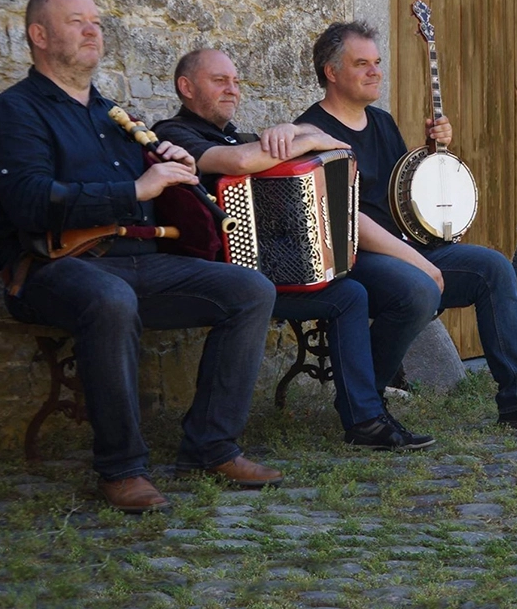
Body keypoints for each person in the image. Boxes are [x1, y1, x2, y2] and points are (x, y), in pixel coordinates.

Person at [0, 0, 282, 514]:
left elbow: (150, 201)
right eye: (77, 21)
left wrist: (173, 168)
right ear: (39, 36)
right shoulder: (14, 114)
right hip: (51, 267)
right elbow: (28, 203)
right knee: (109, 298)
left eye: (97, 21)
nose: (94, 30)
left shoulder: (111, 116)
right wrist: (138, 188)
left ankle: (211, 446)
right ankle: (122, 468)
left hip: (136, 261)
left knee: (249, 289)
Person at [296, 20, 517, 428]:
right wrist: (419, 261)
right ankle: (364, 400)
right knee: (416, 288)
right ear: (331, 71)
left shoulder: (381, 123)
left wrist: (433, 151)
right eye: (362, 64)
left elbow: (403, 194)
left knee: (493, 267)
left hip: (405, 248)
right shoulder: (312, 131)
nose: (376, 71)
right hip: (354, 257)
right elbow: (342, 218)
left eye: (377, 62)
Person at [153, 48, 436, 451]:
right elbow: (237, 162)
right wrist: (295, 136)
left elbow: (335, 148)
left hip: (263, 270)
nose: (232, 89)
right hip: (211, 275)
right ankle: (362, 417)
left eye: (235, 81)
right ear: (186, 87)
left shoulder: (239, 133)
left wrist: (304, 134)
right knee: (355, 294)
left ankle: (365, 421)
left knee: (349, 293)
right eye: (220, 81)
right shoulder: (174, 133)